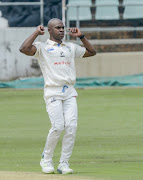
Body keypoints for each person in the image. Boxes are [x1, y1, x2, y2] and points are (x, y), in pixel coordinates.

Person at [19, 18, 96, 174]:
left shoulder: (70, 47)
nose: (61, 30)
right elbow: (24, 49)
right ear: (50, 30)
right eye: (58, 28)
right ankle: (46, 159)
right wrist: (35, 33)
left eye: (63, 27)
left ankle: (63, 163)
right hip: (53, 91)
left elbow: (91, 52)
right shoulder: (43, 47)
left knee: (71, 127)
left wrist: (81, 37)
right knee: (58, 126)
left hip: (69, 91)